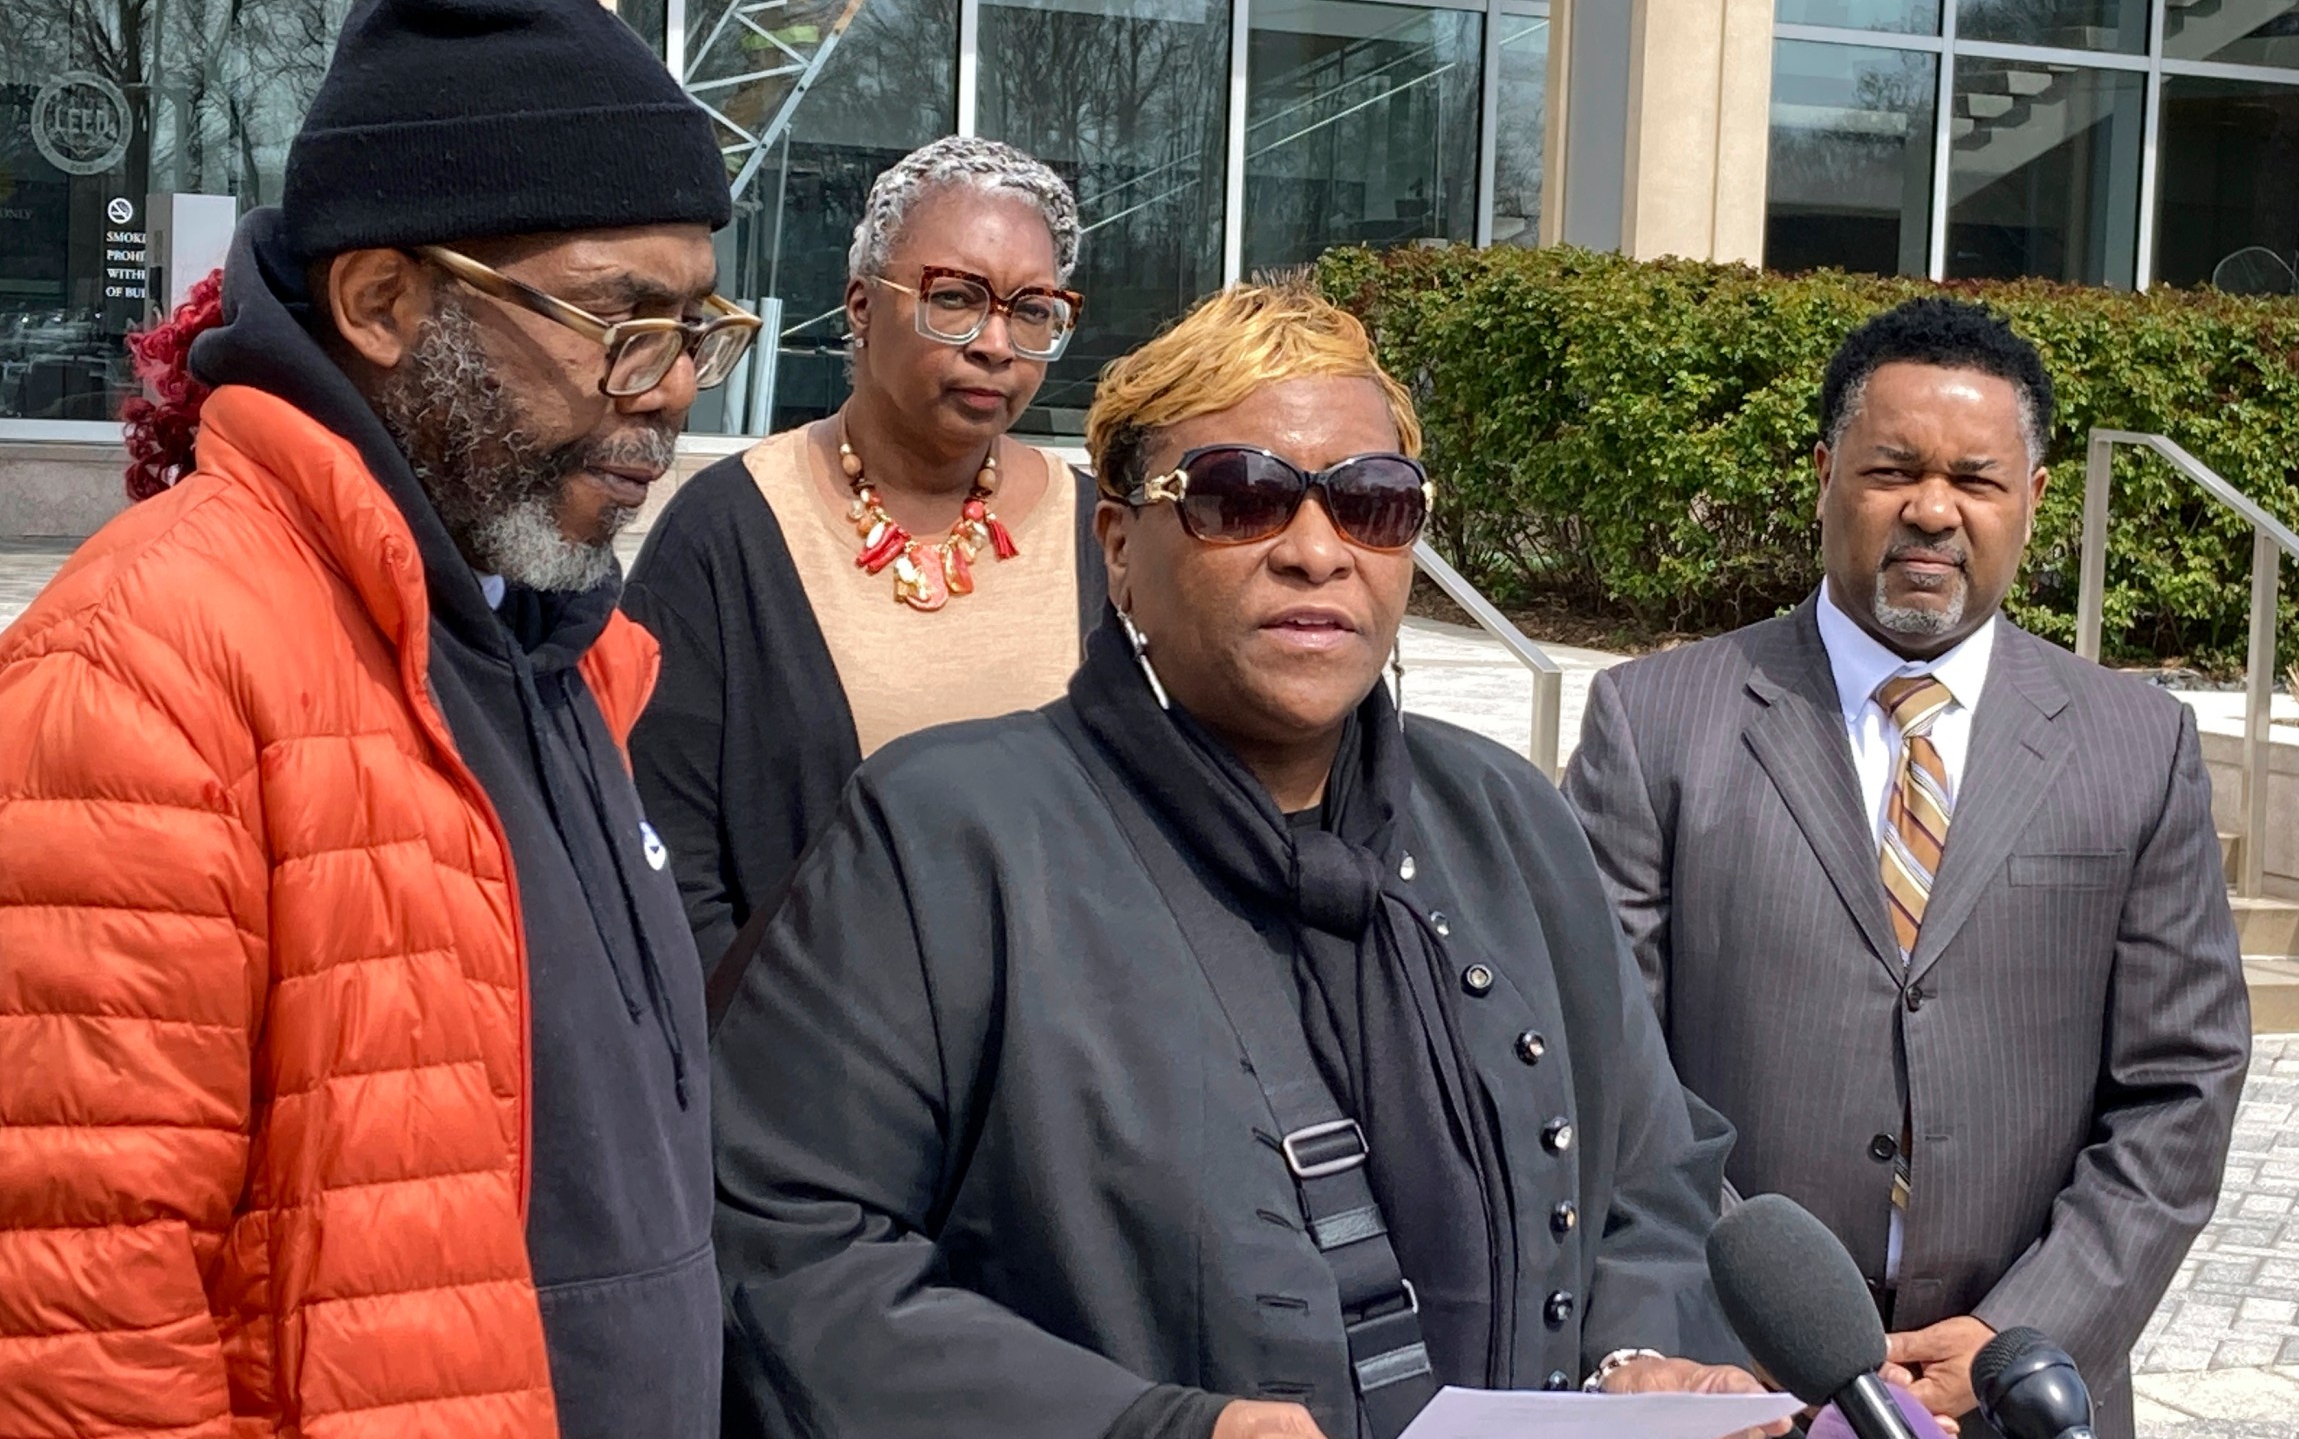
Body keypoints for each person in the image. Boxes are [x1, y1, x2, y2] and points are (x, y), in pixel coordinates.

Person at [710, 284, 1765, 1439]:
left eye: (1372, 506)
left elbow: (1653, 1177)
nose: (1316, 553)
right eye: (1239, 498)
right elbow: (789, 1250)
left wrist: (1639, 1355)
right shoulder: (947, 835)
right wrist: (1149, 1427)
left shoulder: (1506, 819)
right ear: (1117, 544)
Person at [0, 0, 749, 1432]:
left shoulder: (560, 643)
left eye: (695, 323)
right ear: (386, 303)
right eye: (618, 322)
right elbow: (73, 1333)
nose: (668, 393)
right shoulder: (143, 668)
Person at [1563, 297, 2252, 1439]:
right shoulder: (1653, 721)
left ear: (2032, 501)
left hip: (2015, 1390)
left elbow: (2182, 1082)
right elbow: (1604, 1067)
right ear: (1826, 474)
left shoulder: (2136, 742)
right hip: (1735, 1386)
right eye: (1892, 471)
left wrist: (2030, 1329)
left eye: (1975, 480)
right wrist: (1753, 1323)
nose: (1931, 511)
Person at [624, 134, 1106, 978]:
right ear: (858, 306)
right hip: (803, 1066)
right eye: (955, 298)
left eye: (1032, 310)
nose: (996, 343)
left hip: (1068, 1063)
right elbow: (667, 863)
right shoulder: (729, 531)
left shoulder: (1103, 536)